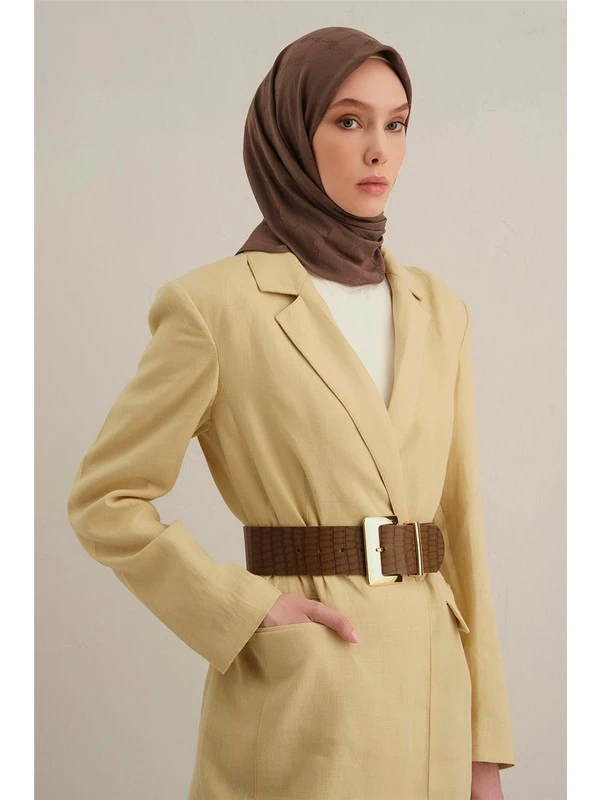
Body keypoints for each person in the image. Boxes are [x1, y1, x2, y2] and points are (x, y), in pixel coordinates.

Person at [66, 26, 516, 800]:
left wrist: (484, 750)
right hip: (307, 701)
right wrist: (245, 608)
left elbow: (461, 525)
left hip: (433, 706)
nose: (378, 149)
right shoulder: (216, 307)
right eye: (348, 120)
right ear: (291, 134)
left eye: (396, 124)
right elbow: (104, 499)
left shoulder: (440, 310)